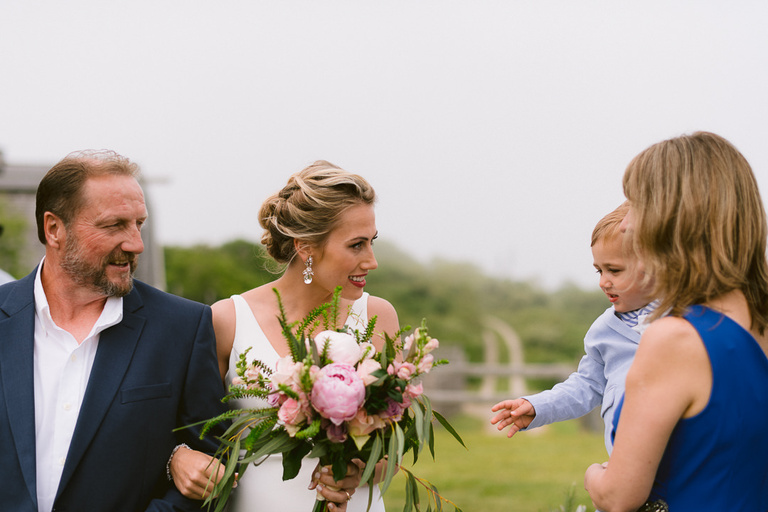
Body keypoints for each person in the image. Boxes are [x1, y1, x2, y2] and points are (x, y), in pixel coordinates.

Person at [0, 150, 228, 511]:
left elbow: (214, 459)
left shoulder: (183, 328)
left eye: (139, 224)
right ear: (54, 229)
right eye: (114, 225)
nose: (135, 243)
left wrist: (176, 460)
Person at [170, 160, 400, 511]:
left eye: (372, 242)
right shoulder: (227, 320)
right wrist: (178, 457)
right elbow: (186, 431)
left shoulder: (378, 317)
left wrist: (359, 471)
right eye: (356, 245)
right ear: (306, 246)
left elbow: (394, 447)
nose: (371, 260)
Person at [584, 132, 768, 511]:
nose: (625, 225)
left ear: (671, 218)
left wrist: (594, 473)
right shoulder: (759, 322)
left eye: (635, 206)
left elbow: (618, 496)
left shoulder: (678, 339)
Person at [490, 202, 657, 454]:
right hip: (627, 462)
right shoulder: (605, 330)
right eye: (599, 270)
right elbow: (586, 384)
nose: (603, 281)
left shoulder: (689, 320)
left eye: (614, 270)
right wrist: (538, 406)